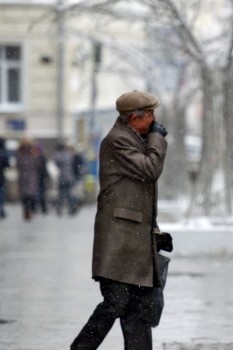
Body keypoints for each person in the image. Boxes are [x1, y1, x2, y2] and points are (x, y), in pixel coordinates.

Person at [71, 90, 170, 349]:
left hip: (133, 243)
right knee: (116, 303)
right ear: (133, 118)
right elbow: (150, 170)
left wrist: (155, 233)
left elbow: (139, 194)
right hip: (119, 244)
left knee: (138, 310)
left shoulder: (135, 139)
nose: (154, 120)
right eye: (149, 115)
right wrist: (158, 138)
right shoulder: (118, 141)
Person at [16, 138, 42, 221]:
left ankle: (26, 210)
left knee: (25, 196)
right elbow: (38, 164)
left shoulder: (20, 153)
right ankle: (30, 210)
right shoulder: (33, 153)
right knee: (31, 196)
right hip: (32, 177)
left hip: (23, 177)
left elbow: (18, 165)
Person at [53, 142, 78, 216]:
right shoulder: (69, 155)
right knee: (69, 193)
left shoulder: (59, 156)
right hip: (70, 176)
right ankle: (72, 206)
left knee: (62, 194)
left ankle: (59, 208)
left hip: (62, 177)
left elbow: (56, 163)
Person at [0, 138, 9, 219]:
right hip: (1, 178)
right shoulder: (3, 154)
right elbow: (7, 166)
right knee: (1, 195)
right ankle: (1, 210)